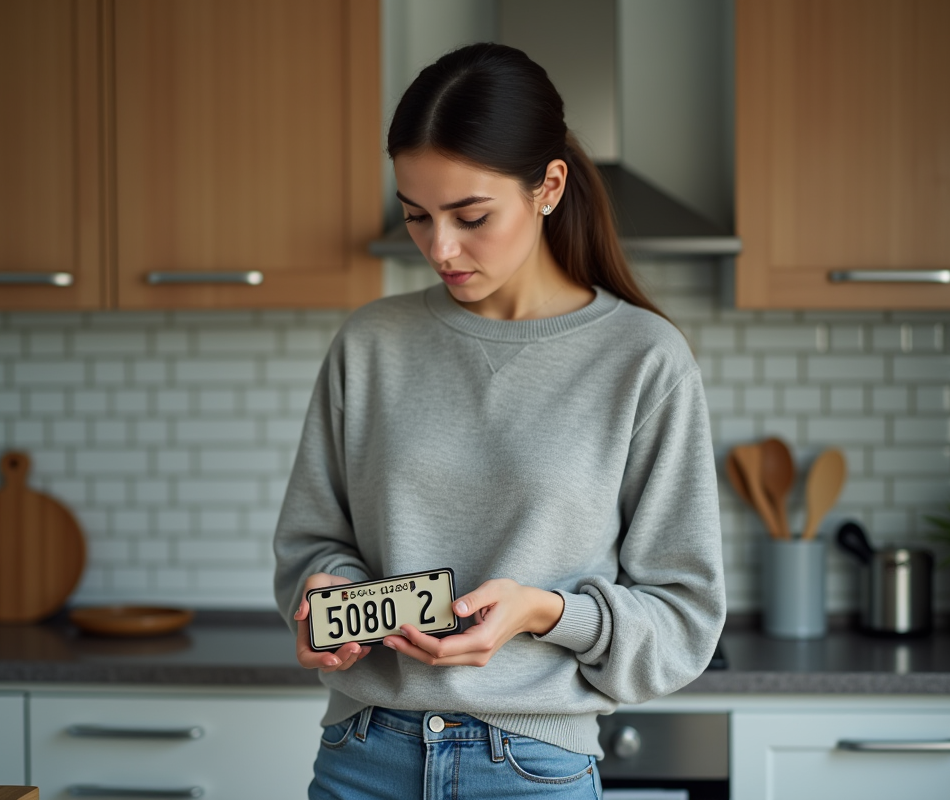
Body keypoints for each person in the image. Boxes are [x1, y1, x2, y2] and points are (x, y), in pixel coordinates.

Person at [273, 42, 725, 800]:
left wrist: (544, 613)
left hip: (532, 770)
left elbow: (684, 618)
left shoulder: (644, 359)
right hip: (361, 756)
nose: (440, 248)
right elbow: (313, 542)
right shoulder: (370, 344)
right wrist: (334, 601)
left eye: (470, 215)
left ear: (548, 187)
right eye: (416, 215)